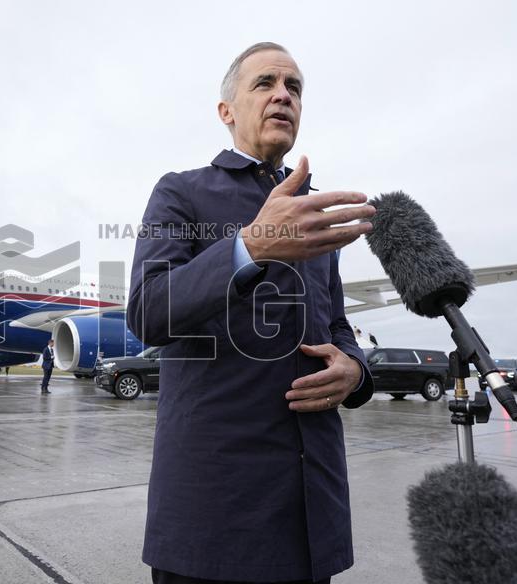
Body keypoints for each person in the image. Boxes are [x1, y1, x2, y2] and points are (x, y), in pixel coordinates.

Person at [128, 42, 376, 584]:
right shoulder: (181, 192)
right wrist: (251, 246)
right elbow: (148, 310)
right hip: (212, 515)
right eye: (265, 83)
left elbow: (335, 321)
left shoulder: (312, 215)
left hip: (311, 513)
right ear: (227, 111)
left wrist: (355, 369)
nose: (283, 95)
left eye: (294, 88)